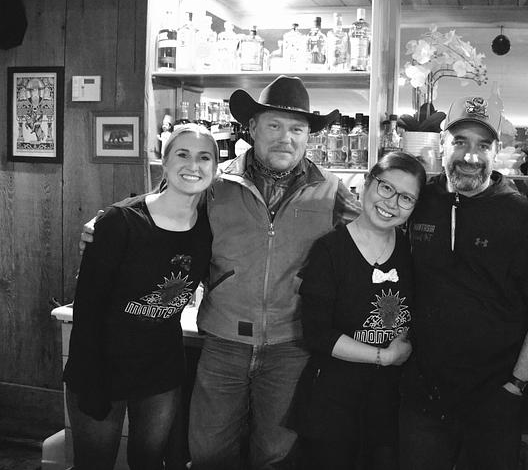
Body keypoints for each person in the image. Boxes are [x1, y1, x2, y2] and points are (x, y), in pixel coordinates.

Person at [187, 75, 360, 469]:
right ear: (252, 128)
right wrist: (107, 224)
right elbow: (161, 211)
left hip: (291, 345)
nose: (286, 138)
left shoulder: (331, 189)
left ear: (308, 136)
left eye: (297, 129)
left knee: (276, 456)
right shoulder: (215, 183)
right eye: (274, 126)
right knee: (209, 453)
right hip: (223, 341)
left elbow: (373, 235)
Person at [399, 96, 528, 470]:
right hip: (422, 396)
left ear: (497, 151)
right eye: (460, 141)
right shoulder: (419, 200)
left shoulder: (524, 217)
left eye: (483, 145)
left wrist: (515, 386)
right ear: (442, 144)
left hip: (494, 398)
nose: (470, 156)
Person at [64, 123, 217, 470]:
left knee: (149, 462)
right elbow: (87, 310)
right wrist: (90, 378)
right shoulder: (121, 221)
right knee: (93, 464)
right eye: (182, 154)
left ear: (215, 168)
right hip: (102, 366)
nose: (193, 165)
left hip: (160, 369)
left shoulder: (210, 228)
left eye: (204, 157)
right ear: (165, 162)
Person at [293, 151, 426, 470]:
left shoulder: (410, 250)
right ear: (366, 184)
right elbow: (317, 334)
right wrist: (384, 356)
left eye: (406, 198)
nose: (392, 203)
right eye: (386, 188)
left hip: (390, 400)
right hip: (334, 399)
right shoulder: (330, 250)